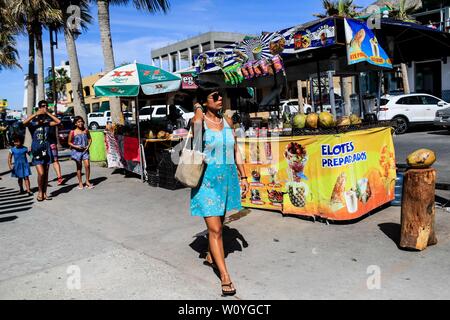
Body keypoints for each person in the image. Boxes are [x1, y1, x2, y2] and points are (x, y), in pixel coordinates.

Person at [190, 87, 249, 296]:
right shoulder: (199, 121)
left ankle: (210, 254)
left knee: (220, 226)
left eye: (220, 95)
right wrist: (197, 107)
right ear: (205, 102)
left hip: (227, 180)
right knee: (215, 230)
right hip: (207, 182)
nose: (219, 99)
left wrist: (244, 176)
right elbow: (196, 127)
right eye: (214, 97)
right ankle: (225, 276)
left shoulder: (227, 121)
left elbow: (235, 150)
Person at [23, 100, 61, 201]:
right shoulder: (33, 124)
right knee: (41, 173)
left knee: (46, 172)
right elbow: (24, 123)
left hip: (46, 150)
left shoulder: (48, 123)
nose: (45, 107)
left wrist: (48, 113)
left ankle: (44, 193)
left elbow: (58, 122)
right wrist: (36, 113)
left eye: (46, 106)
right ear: (39, 107)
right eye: (43, 106)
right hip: (36, 150)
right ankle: (40, 192)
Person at [68, 116, 93, 189]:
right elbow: (69, 142)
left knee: (87, 165)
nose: (80, 123)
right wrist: (76, 147)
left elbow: (90, 139)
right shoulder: (73, 132)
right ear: (75, 123)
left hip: (85, 151)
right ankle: (80, 183)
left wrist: (88, 146)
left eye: (81, 121)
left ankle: (87, 181)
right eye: (78, 122)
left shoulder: (86, 130)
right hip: (76, 152)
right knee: (79, 167)